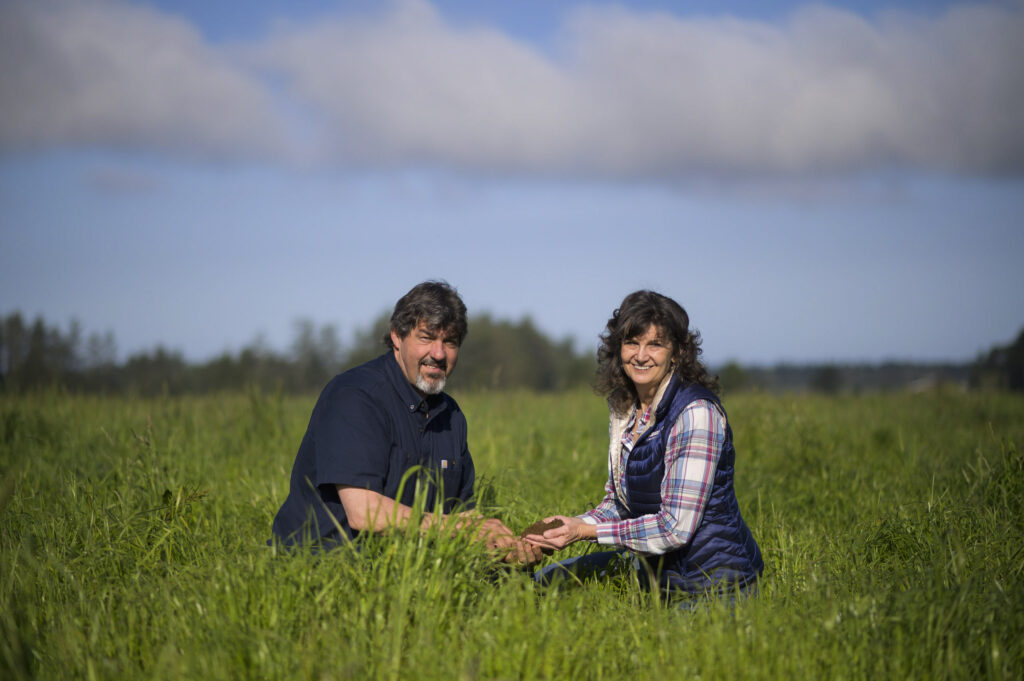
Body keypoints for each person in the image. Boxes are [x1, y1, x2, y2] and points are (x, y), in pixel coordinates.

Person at [270, 280, 540, 565]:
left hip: (405, 569)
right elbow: (365, 512)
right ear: (397, 337)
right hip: (323, 566)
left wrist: (505, 544)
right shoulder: (355, 397)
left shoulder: (451, 416)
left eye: (449, 342)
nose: (438, 354)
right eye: (426, 338)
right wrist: (463, 529)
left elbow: (462, 512)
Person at [524, 290, 763, 602]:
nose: (640, 355)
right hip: (656, 572)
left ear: (677, 352)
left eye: (655, 344)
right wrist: (571, 526)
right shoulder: (627, 410)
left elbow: (675, 528)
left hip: (712, 584)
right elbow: (621, 504)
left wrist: (586, 533)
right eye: (632, 342)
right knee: (543, 584)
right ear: (618, 348)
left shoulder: (695, 414)